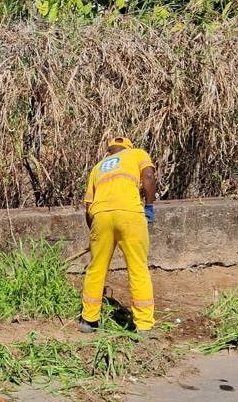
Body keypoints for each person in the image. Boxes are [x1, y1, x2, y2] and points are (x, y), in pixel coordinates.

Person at [79, 136, 157, 338]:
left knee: (96, 268)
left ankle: (88, 320)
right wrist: (148, 206)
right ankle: (144, 326)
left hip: (101, 216)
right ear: (127, 148)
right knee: (138, 268)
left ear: (109, 151)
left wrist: (94, 233)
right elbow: (148, 174)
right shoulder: (137, 153)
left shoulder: (98, 167)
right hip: (130, 214)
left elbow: (88, 206)